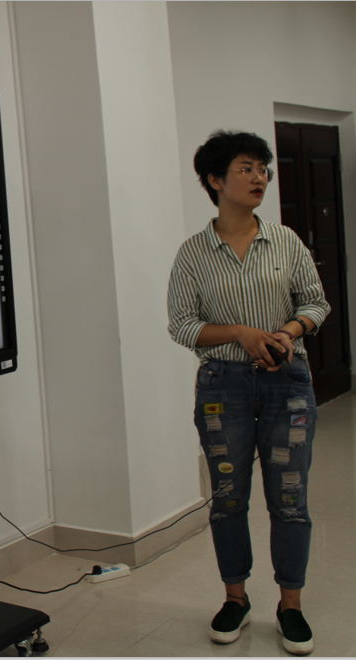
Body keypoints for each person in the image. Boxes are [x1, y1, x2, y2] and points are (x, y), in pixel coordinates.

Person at [167, 130, 330, 656]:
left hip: (287, 383)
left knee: (290, 499)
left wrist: (285, 333)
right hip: (224, 387)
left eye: (263, 169)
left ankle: (290, 605)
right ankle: (235, 598)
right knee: (228, 499)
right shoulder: (194, 253)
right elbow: (182, 324)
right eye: (247, 168)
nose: (260, 177)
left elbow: (316, 303)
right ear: (215, 180)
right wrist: (240, 333)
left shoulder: (285, 241)